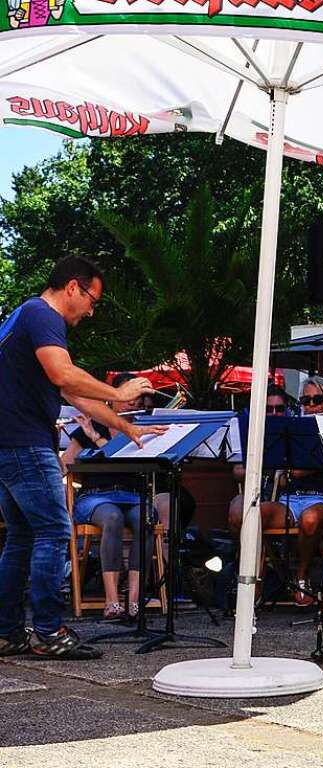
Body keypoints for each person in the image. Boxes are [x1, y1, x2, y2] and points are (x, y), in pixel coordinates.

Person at [0, 256, 160, 660]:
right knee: (54, 533)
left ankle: (7, 632)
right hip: (24, 443)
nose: (91, 310)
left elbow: (73, 394)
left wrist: (125, 426)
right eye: (92, 299)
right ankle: (49, 632)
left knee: (21, 537)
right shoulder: (42, 315)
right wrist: (121, 393)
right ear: (73, 287)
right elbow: (64, 375)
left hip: (8, 444)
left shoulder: (23, 315)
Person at [228, 380, 323, 607]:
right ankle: (254, 576)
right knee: (252, 514)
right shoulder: (293, 428)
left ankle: (302, 575)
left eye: (317, 400)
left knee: (310, 519)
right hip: (290, 500)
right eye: (305, 401)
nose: (311, 405)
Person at [61, 372, 158, 621]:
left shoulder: (142, 428)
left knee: (145, 519)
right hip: (96, 497)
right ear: (111, 397)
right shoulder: (91, 425)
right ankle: (112, 600)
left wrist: (99, 440)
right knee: (112, 518)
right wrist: (85, 437)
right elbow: (65, 467)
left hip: (133, 496)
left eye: (137, 397)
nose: (133, 402)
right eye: (128, 395)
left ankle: (135, 601)